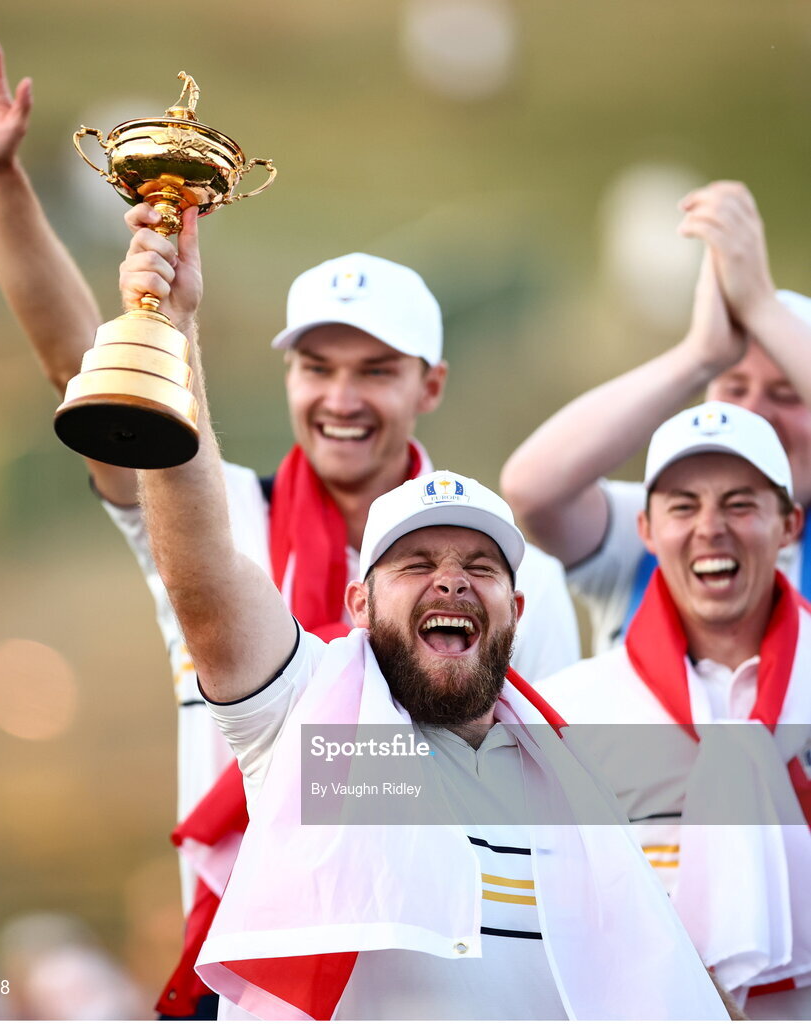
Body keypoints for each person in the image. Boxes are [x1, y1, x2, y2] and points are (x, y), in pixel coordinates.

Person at [0, 21, 580, 1017]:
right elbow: (82, 366)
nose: (341, 398)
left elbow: (534, 804)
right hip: (239, 964)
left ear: (429, 384)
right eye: (317, 366)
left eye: (375, 370)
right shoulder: (219, 520)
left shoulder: (498, 583)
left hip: (437, 974)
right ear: (288, 374)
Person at [124, 218, 729, 1018]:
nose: (449, 583)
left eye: (479, 566)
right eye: (415, 564)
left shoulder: (570, 777)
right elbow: (200, 573)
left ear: (518, 607)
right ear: (358, 602)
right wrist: (170, 326)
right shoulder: (310, 721)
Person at [537, 400, 811, 1019]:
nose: (711, 527)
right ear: (646, 528)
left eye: (740, 503)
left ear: (790, 524)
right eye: (683, 506)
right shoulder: (570, 712)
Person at [500, 180, 811, 653]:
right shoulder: (658, 525)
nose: (753, 414)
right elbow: (534, 489)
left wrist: (761, 307)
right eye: (733, 387)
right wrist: (699, 356)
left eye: (787, 393)